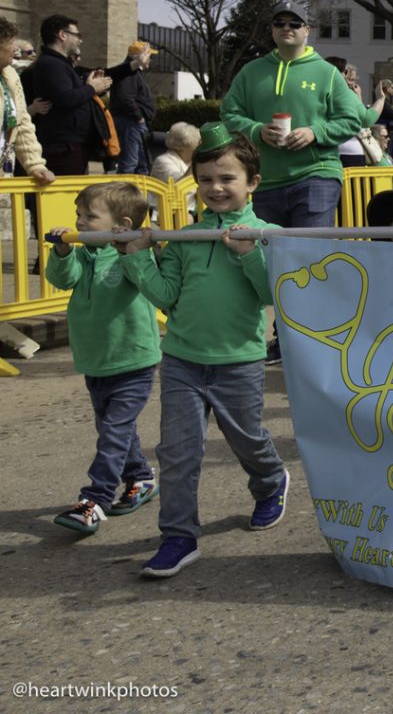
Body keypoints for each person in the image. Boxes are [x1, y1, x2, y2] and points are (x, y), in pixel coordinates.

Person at [119, 124, 288, 578]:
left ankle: (271, 482)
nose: (215, 187)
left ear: (252, 182)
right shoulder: (184, 237)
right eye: (207, 178)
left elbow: (273, 293)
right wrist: (137, 257)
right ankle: (178, 535)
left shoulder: (268, 232)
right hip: (182, 361)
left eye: (227, 178)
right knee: (177, 451)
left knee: (247, 439)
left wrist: (248, 253)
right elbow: (167, 296)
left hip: (239, 361)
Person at [44, 182, 162, 535]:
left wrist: (131, 249)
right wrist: (63, 252)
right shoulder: (83, 252)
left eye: (89, 217)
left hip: (133, 360)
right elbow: (62, 280)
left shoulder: (131, 253)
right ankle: (141, 478)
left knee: (114, 430)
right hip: (95, 359)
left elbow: (146, 282)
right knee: (113, 429)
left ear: (121, 224)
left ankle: (95, 499)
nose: (79, 222)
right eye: (78, 215)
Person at [220, 4, 375, 228]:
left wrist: (315, 132)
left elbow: (351, 121)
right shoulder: (251, 71)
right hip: (266, 179)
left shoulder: (327, 72)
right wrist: (257, 131)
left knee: (309, 252)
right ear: (272, 30)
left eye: (294, 24)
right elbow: (229, 114)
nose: (286, 28)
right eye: (279, 23)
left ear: (307, 30)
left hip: (317, 175)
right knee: (270, 255)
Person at [22, 14, 111, 176]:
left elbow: (70, 95)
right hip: (63, 147)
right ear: (62, 35)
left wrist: (89, 86)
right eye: (77, 35)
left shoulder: (61, 64)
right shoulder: (51, 64)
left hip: (72, 145)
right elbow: (65, 98)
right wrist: (91, 88)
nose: (80, 40)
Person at [0, 16, 54, 186]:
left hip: (5, 176)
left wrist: (35, 164)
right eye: (10, 43)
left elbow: (21, 123)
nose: (15, 50)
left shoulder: (10, 75)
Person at [105, 41, 158, 175]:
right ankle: (125, 194)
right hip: (131, 123)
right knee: (131, 163)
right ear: (137, 56)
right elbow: (125, 97)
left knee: (139, 163)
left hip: (131, 122)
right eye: (149, 56)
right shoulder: (130, 73)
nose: (150, 60)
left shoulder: (130, 73)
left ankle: (135, 192)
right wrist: (138, 117)